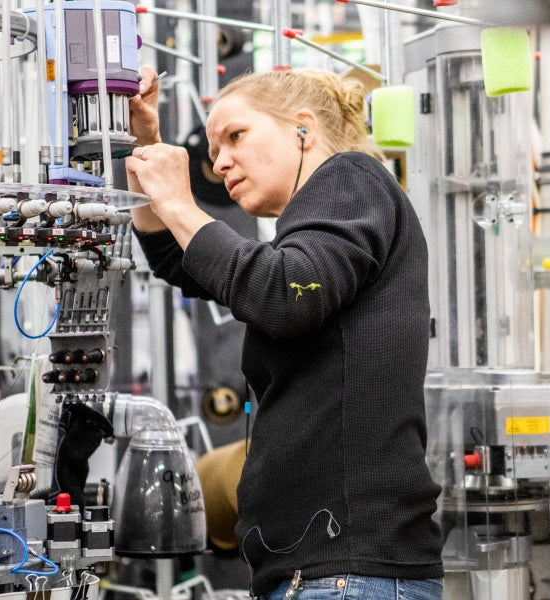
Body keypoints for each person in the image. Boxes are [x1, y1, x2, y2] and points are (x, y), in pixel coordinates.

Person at [126, 65, 444, 599]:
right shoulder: (311, 232)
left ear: (303, 128)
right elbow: (178, 261)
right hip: (326, 572)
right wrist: (144, 149)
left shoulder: (351, 178)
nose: (219, 160)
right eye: (213, 146)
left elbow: (282, 294)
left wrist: (181, 202)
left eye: (236, 135)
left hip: (348, 575)